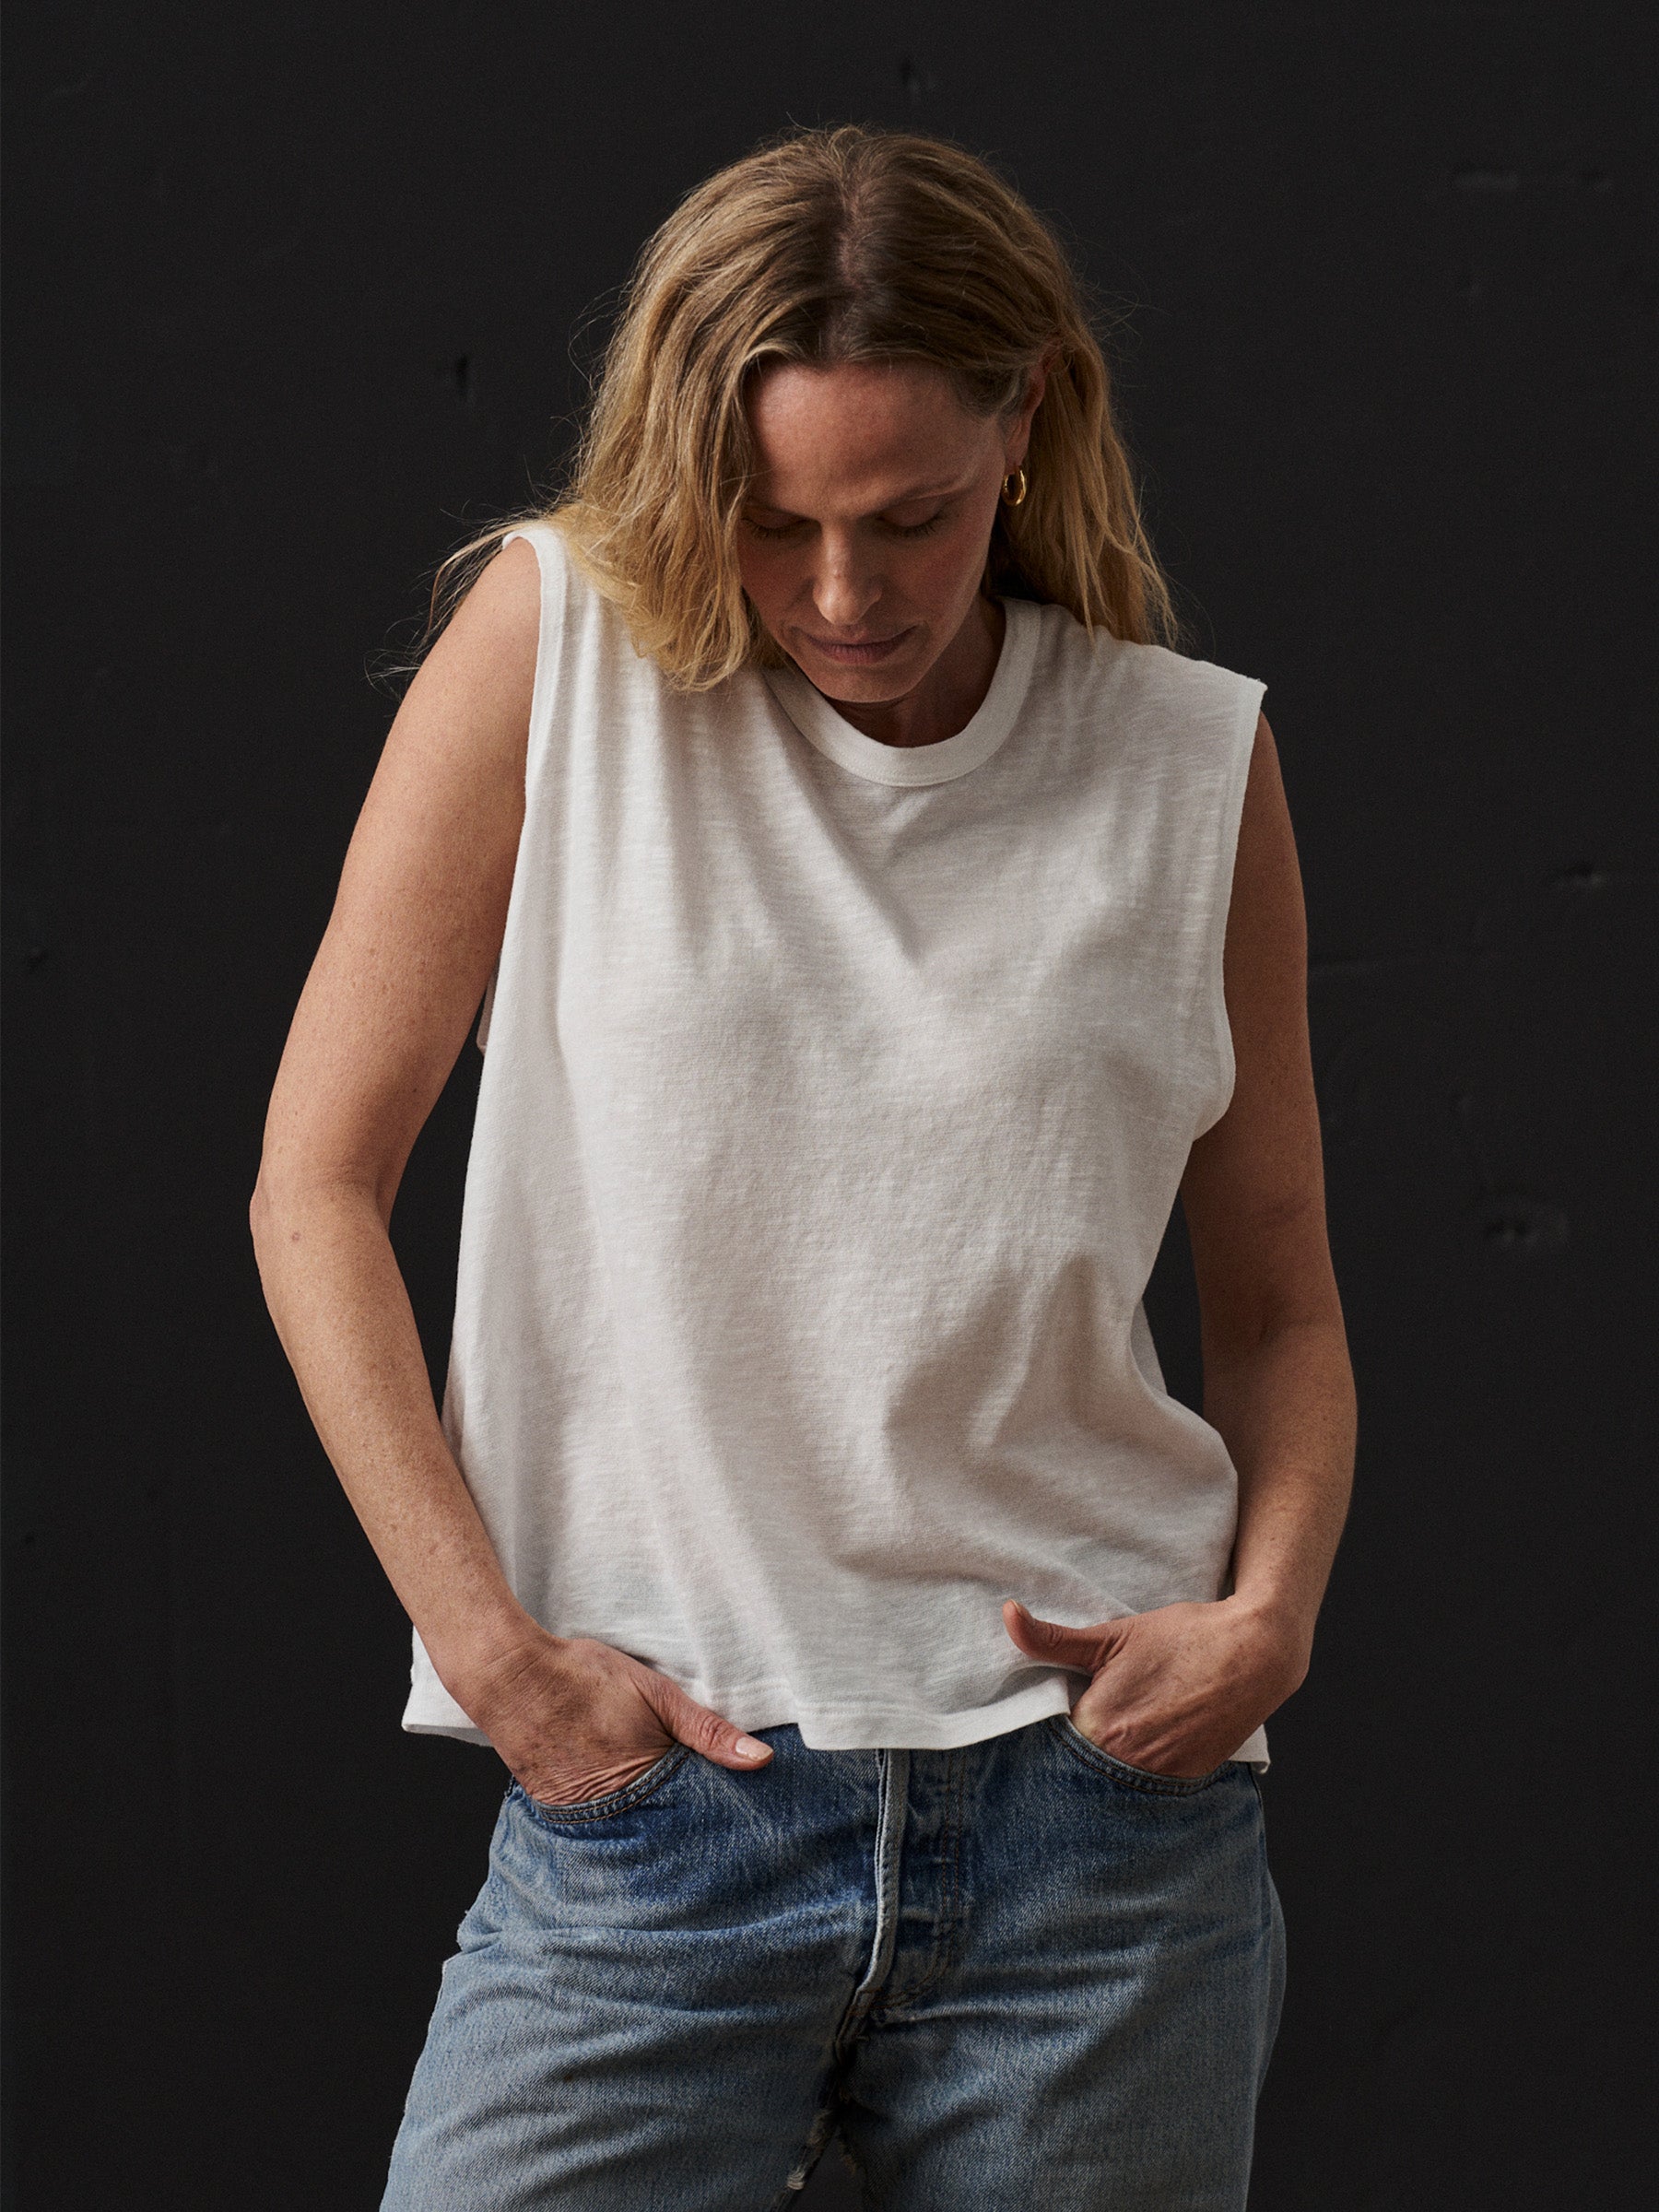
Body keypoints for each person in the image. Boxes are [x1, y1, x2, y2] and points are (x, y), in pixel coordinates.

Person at [251, 122, 1355, 2210]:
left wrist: (1271, 1616)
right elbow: (311, 1184)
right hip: (663, 1807)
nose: (843, 594)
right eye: (772, 523)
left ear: (1028, 424)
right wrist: (490, 1652)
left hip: (1098, 1839)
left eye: (909, 517)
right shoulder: (559, 652)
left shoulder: (1187, 761)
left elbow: (1282, 1299)